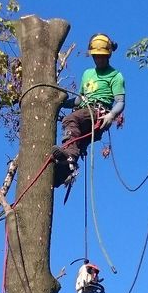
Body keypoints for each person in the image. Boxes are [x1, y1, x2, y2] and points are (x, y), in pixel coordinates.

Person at [52, 33, 125, 187]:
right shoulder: (87, 74)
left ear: (108, 55)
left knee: (70, 120)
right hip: (85, 113)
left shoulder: (116, 76)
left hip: (99, 113)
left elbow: (120, 101)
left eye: (101, 56)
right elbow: (79, 99)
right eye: (96, 56)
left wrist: (111, 115)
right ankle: (60, 176)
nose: (99, 59)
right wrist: (60, 104)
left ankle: (69, 155)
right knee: (76, 144)